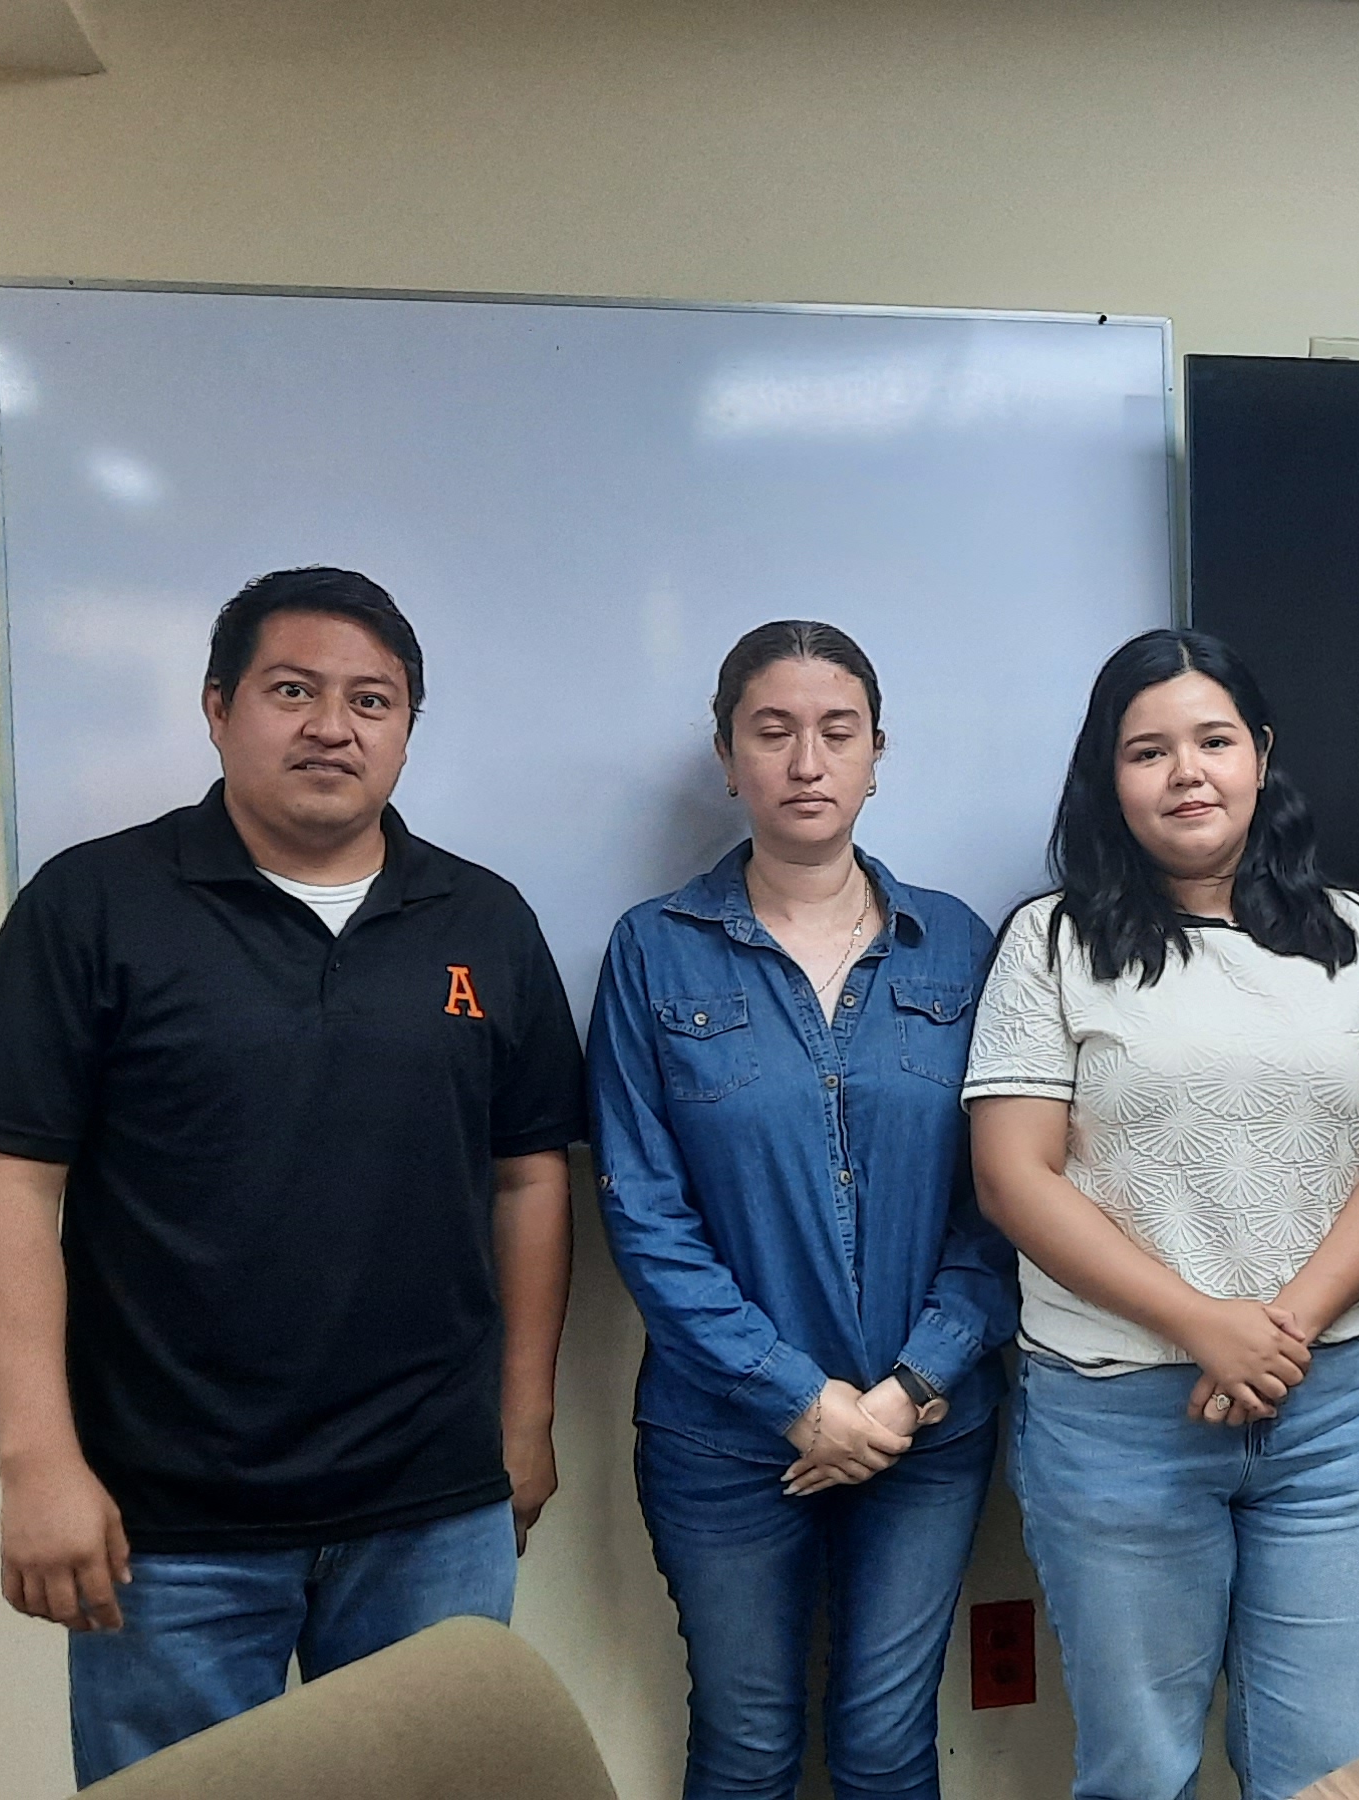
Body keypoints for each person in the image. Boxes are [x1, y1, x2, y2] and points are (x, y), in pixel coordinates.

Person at [0, 568, 583, 1785]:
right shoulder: (95, 904)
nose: (332, 726)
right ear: (219, 708)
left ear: (405, 730)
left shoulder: (483, 919)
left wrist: (526, 1419)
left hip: (433, 1507)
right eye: (294, 690)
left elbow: (528, 1178)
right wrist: (37, 1461)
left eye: (372, 701)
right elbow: (11, 1183)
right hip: (167, 1523)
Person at [962, 628, 1359, 1800]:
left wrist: (1272, 1329)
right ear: (1105, 776)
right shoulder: (1050, 941)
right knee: (1140, 1768)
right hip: (1117, 1416)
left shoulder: (1356, 935)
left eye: (1214, 741)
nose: (1187, 773)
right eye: (1147, 751)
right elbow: (1013, 1177)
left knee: (1326, 1769)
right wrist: (1202, 1323)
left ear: (1261, 755)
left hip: (1324, 1414)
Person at [586, 621, 1015, 1800]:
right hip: (723, 1440)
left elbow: (1004, 1200)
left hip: (926, 1429)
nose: (807, 762)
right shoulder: (652, 953)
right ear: (728, 758)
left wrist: (906, 1389)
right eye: (772, 733)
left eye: (838, 733)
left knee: (886, 1750)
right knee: (747, 1745)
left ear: (879, 753)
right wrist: (798, 1399)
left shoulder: (959, 949)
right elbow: (644, 1213)